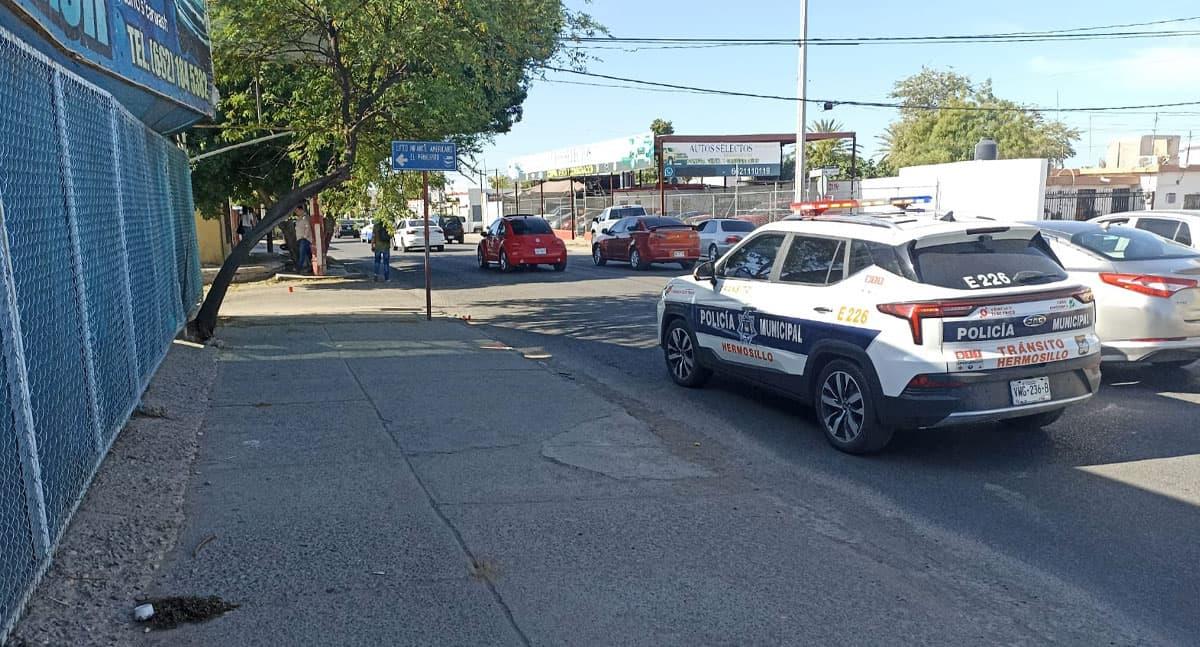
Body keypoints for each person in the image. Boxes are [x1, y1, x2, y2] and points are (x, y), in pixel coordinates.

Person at [372, 218, 392, 282]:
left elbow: (373, 237)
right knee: (386, 263)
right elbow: (391, 235)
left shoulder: (376, 226)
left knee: (377, 262)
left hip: (378, 247)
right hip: (386, 247)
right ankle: (387, 278)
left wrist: (372, 245)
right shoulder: (388, 226)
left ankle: (376, 276)